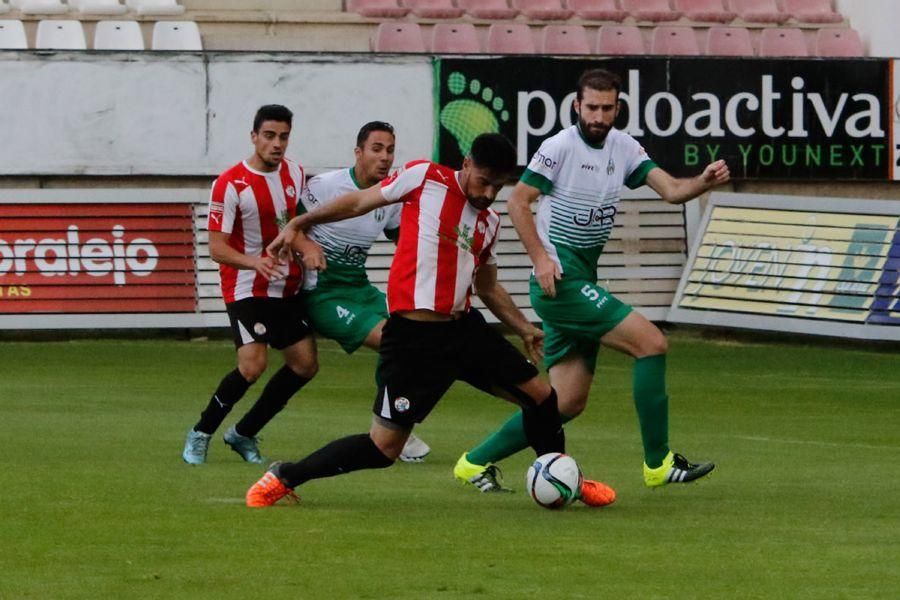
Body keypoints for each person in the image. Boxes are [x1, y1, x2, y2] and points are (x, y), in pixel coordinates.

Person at [244, 133, 616, 508]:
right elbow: (359, 201)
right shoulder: (425, 177)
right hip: (412, 340)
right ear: (467, 164)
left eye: (498, 186)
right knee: (383, 448)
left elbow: (487, 286)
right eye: (483, 180)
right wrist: (299, 224)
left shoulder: (488, 222)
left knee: (542, 397)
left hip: (464, 330)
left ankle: (564, 477)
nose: (488, 193)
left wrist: (523, 327)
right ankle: (286, 476)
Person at [454, 69, 730, 491]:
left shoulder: (624, 147)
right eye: (592, 107)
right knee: (652, 343)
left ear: (617, 108)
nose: (599, 115)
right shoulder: (560, 147)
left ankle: (473, 463)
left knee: (565, 402)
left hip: (581, 279)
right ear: (577, 106)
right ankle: (658, 463)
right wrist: (542, 258)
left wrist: (703, 182)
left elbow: (673, 190)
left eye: (607, 108)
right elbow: (517, 201)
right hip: (559, 282)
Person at [182, 104, 322, 465]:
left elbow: (297, 224)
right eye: (270, 136)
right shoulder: (230, 184)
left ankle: (243, 433)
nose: (277, 144)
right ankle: (201, 433)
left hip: (285, 287)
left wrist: (307, 248)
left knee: (305, 364)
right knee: (252, 366)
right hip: (247, 287)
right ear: (254, 137)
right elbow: (216, 247)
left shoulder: (295, 173)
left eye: (284, 137)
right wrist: (254, 261)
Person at [298, 120, 430, 462]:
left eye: (389, 150)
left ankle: (393, 425)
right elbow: (288, 227)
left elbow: (405, 242)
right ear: (358, 152)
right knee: (392, 340)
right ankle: (394, 428)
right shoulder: (326, 186)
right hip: (324, 294)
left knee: (414, 338)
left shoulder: (389, 195)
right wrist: (307, 247)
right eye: (376, 149)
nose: (384, 157)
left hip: (360, 287)